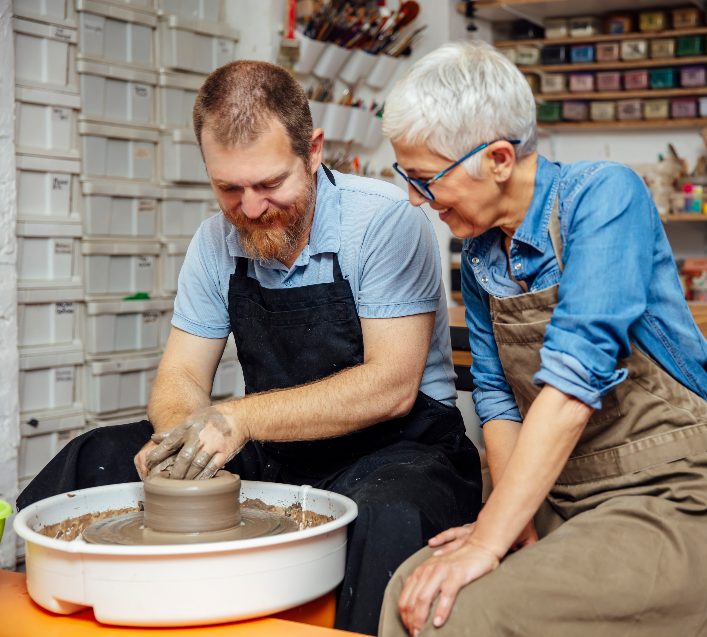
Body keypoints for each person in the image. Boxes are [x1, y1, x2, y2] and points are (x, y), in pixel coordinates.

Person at [16, 60, 482, 635]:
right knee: (95, 457)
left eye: (269, 184)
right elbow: (181, 374)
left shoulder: (383, 220)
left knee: (389, 513)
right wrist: (179, 441)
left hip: (401, 450)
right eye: (228, 187)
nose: (252, 207)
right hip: (278, 445)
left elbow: (390, 387)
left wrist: (233, 418)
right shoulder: (215, 240)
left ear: (313, 150)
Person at [377, 41, 707, 637]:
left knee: (456, 614)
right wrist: (515, 519)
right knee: (413, 589)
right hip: (563, 492)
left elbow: (573, 382)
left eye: (426, 179)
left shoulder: (605, 196)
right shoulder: (484, 251)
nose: (414, 198)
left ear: (501, 159)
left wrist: (489, 539)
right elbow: (498, 397)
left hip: (673, 492)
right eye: (405, 177)